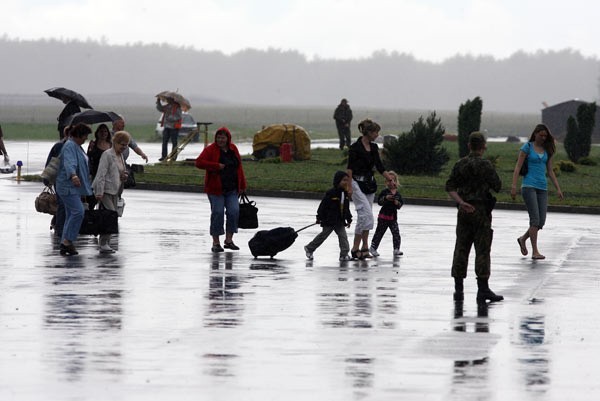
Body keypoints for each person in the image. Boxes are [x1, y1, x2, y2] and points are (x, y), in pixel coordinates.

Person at [445, 131, 503, 304]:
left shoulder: (460, 164)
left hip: (464, 210)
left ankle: (459, 287)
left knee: (461, 248)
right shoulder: (486, 165)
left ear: (469, 145)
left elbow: (449, 186)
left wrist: (462, 202)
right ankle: (483, 288)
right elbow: (497, 186)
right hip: (481, 211)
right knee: (482, 250)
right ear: (483, 146)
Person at [511, 123, 564, 260]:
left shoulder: (547, 150)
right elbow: (518, 167)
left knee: (541, 222)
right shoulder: (527, 147)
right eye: (541, 135)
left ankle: (523, 239)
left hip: (542, 187)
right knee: (535, 220)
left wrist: (558, 188)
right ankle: (535, 251)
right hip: (529, 186)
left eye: (545, 136)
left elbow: (550, 171)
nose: (543, 138)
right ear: (535, 134)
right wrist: (514, 186)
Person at [346, 118, 393, 260]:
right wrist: (348, 187)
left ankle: (361, 248)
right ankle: (358, 247)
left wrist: (389, 178)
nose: (377, 135)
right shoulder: (355, 148)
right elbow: (349, 169)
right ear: (369, 132)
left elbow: (379, 166)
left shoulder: (373, 148)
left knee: (364, 217)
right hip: (356, 183)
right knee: (367, 216)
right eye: (376, 133)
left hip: (369, 184)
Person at [195, 127, 247, 252]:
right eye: (218, 137)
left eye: (223, 138)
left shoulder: (233, 149)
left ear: (228, 138)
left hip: (232, 189)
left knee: (234, 212)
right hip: (215, 189)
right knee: (217, 213)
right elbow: (199, 162)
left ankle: (229, 241)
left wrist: (243, 185)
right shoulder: (210, 149)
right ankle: (216, 243)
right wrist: (216, 166)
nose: (220, 140)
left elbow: (239, 168)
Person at [55, 123, 93, 256]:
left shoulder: (77, 146)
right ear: (78, 135)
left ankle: (66, 242)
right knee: (78, 212)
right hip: (68, 186)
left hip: (73, 187)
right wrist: (73, 175)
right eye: (85, 136)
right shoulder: (70, 146)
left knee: (71, 213)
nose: (85, 139)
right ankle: (67, 241)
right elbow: (69, 162)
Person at [92, 131, 131, 253]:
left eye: (126, 145)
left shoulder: (121, 156)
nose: (123, 147)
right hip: (105, 190)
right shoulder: (107, 155)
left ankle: (105, 241)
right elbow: (101, 174)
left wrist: (124, 176)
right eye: (122, 144)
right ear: (115, 142)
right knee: (111, 215)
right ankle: (103, 243)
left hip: (116, 190)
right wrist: (99, 191)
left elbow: (119, 171)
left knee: (111, 216)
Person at [304, 171, 353, 261]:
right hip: (329, 220)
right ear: (338, 181)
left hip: (339, 221)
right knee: (323, 235)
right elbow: (323, 206)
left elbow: (346, 207)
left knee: (343, 237)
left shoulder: (345, 194)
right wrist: (319, 217)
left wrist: (349, 218)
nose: (346, 182)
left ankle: (344, 254)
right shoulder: (331, 193)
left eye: (347, 180)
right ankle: (309, 248)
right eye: (344, 180)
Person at [369, 170, 404, 257]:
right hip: (383, 216)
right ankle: (373, 248)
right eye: (389, 180)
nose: (391, 182)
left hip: (393, 217)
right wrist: (386, 198)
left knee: (396, 233)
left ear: (396, 182)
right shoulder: (385, 192)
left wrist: (397, 203)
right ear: (386, 182)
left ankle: (396, 249)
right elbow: (379, 202)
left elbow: (400, 204)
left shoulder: (398, 194)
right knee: (379, 232)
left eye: (393, 180)